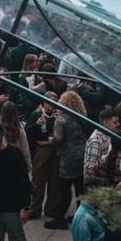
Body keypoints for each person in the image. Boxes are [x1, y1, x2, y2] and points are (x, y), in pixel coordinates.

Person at [46, 90, 88, 230]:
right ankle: (80, 216)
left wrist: (51, 140)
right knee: (80, 188)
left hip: (67, 157)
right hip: (82, 154)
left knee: (64, 189)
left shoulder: (61, 118)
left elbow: (58, 139)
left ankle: (59, 219)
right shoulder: (81, 115)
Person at [23, 99, 59, 222]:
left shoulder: (58, 115)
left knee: (54, 180)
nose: (51, 106)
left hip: (54, 150)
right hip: (40, 149)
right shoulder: (36, 114)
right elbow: (27, 130)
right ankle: (35, 209)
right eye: (49, 103)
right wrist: (36, 124)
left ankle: (51, 209)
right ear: (43, 104)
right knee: (38, 181)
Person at [83, 108, 118, 188]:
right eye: (115, 122)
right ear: (105, 122)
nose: (118, 124)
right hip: (96, 186)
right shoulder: (96, 141)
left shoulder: (110, 135)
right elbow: (89, 170)